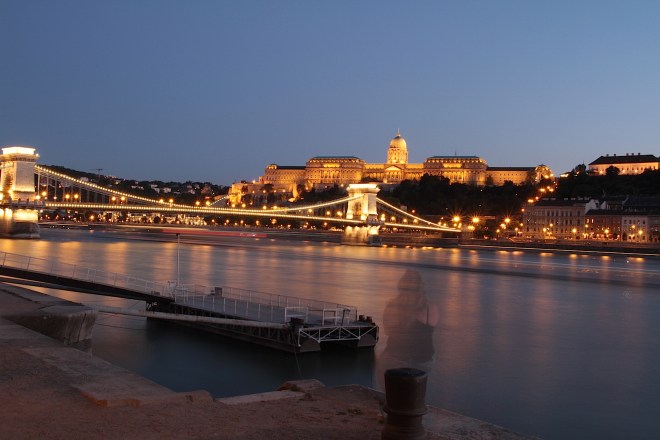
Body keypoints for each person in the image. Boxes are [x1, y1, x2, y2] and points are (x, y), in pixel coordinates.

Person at [377, 269, 439, 385]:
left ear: (401, 285)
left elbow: (387, 331)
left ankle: (388, 397)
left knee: (381, 362)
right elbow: (428, 330)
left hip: (398, 359)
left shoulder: (394, 306)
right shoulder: (432, 308)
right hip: (425, 361)